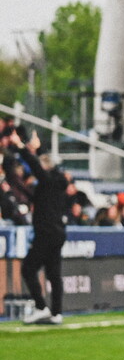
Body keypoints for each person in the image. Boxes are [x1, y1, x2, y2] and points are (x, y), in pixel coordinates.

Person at [11, 131, 68, 325]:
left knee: (28, 268)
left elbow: (37, 167)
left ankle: (41, 307)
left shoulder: (49, 181)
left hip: (46, 232)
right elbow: (42, 166)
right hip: (57, 232)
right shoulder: (56, 183)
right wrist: (37, 147)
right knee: (53, 273)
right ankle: (57, 313)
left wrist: (21, 147)